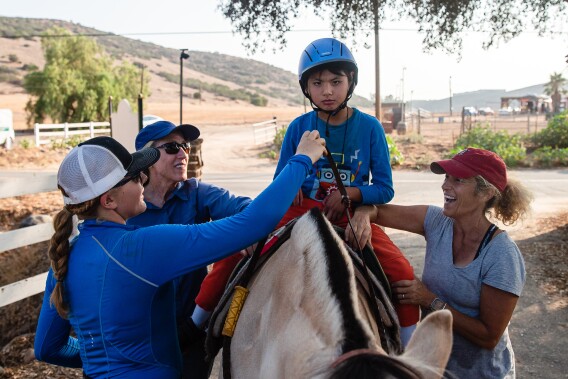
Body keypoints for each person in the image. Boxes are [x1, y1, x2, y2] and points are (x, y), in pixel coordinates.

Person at [34, 133, 325, 378]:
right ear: (108, 200)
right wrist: (301, 159)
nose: (144, 179)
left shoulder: (64, 259)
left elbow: (47, 348)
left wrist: (100, 360)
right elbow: (252, 224)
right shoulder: (143, 248)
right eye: (135, 177)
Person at [273, 37, 419, 344]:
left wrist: (351, 195)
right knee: (239, 253)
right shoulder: (297, 127)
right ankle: (202, 323)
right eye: (317, 83)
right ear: (306, 88)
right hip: (300, 211)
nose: (327, 91)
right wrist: (291, 181)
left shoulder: (370, 128)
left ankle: (410, 352)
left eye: (336, 82)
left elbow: (384, 188)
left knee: (402, 271)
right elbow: (279, 181)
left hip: (349, 217)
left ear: (350, 82)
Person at [347, 147, 533, 378]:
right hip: (435, 367)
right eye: (446, 177)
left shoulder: (502, 255)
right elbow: (377, 210)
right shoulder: (437, 221)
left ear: (486, 193)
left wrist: (429, 300)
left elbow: (488, 336)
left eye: (458, 180)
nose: (445, 185)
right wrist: (364, 212)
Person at [128, 120, 251, 377]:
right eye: (172, 147)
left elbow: (247, 208)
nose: (184, 154)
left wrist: (248, 231)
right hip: (140, 335)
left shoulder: (195, 193)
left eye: (185, 146)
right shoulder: (126, 206)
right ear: (147, 157)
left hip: (192, 330)